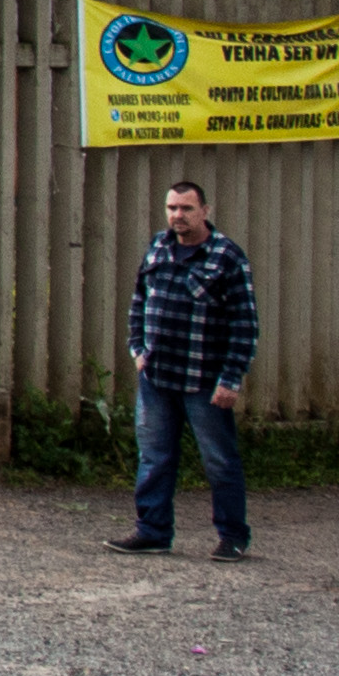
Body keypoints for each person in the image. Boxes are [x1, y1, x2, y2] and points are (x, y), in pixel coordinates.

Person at [113, 175, 257, 560]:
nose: (178, 215)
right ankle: (153, 531)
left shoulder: (226, 258)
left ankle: (233, 537)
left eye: (187, 208)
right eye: (172, 208)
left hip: (204, 381)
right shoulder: (158, 247)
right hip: (157, 378)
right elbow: (138, 301)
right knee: (154, 458)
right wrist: (137, 349)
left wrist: (231, 379)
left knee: (220, 461)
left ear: (205, 211)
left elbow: (245, 324)